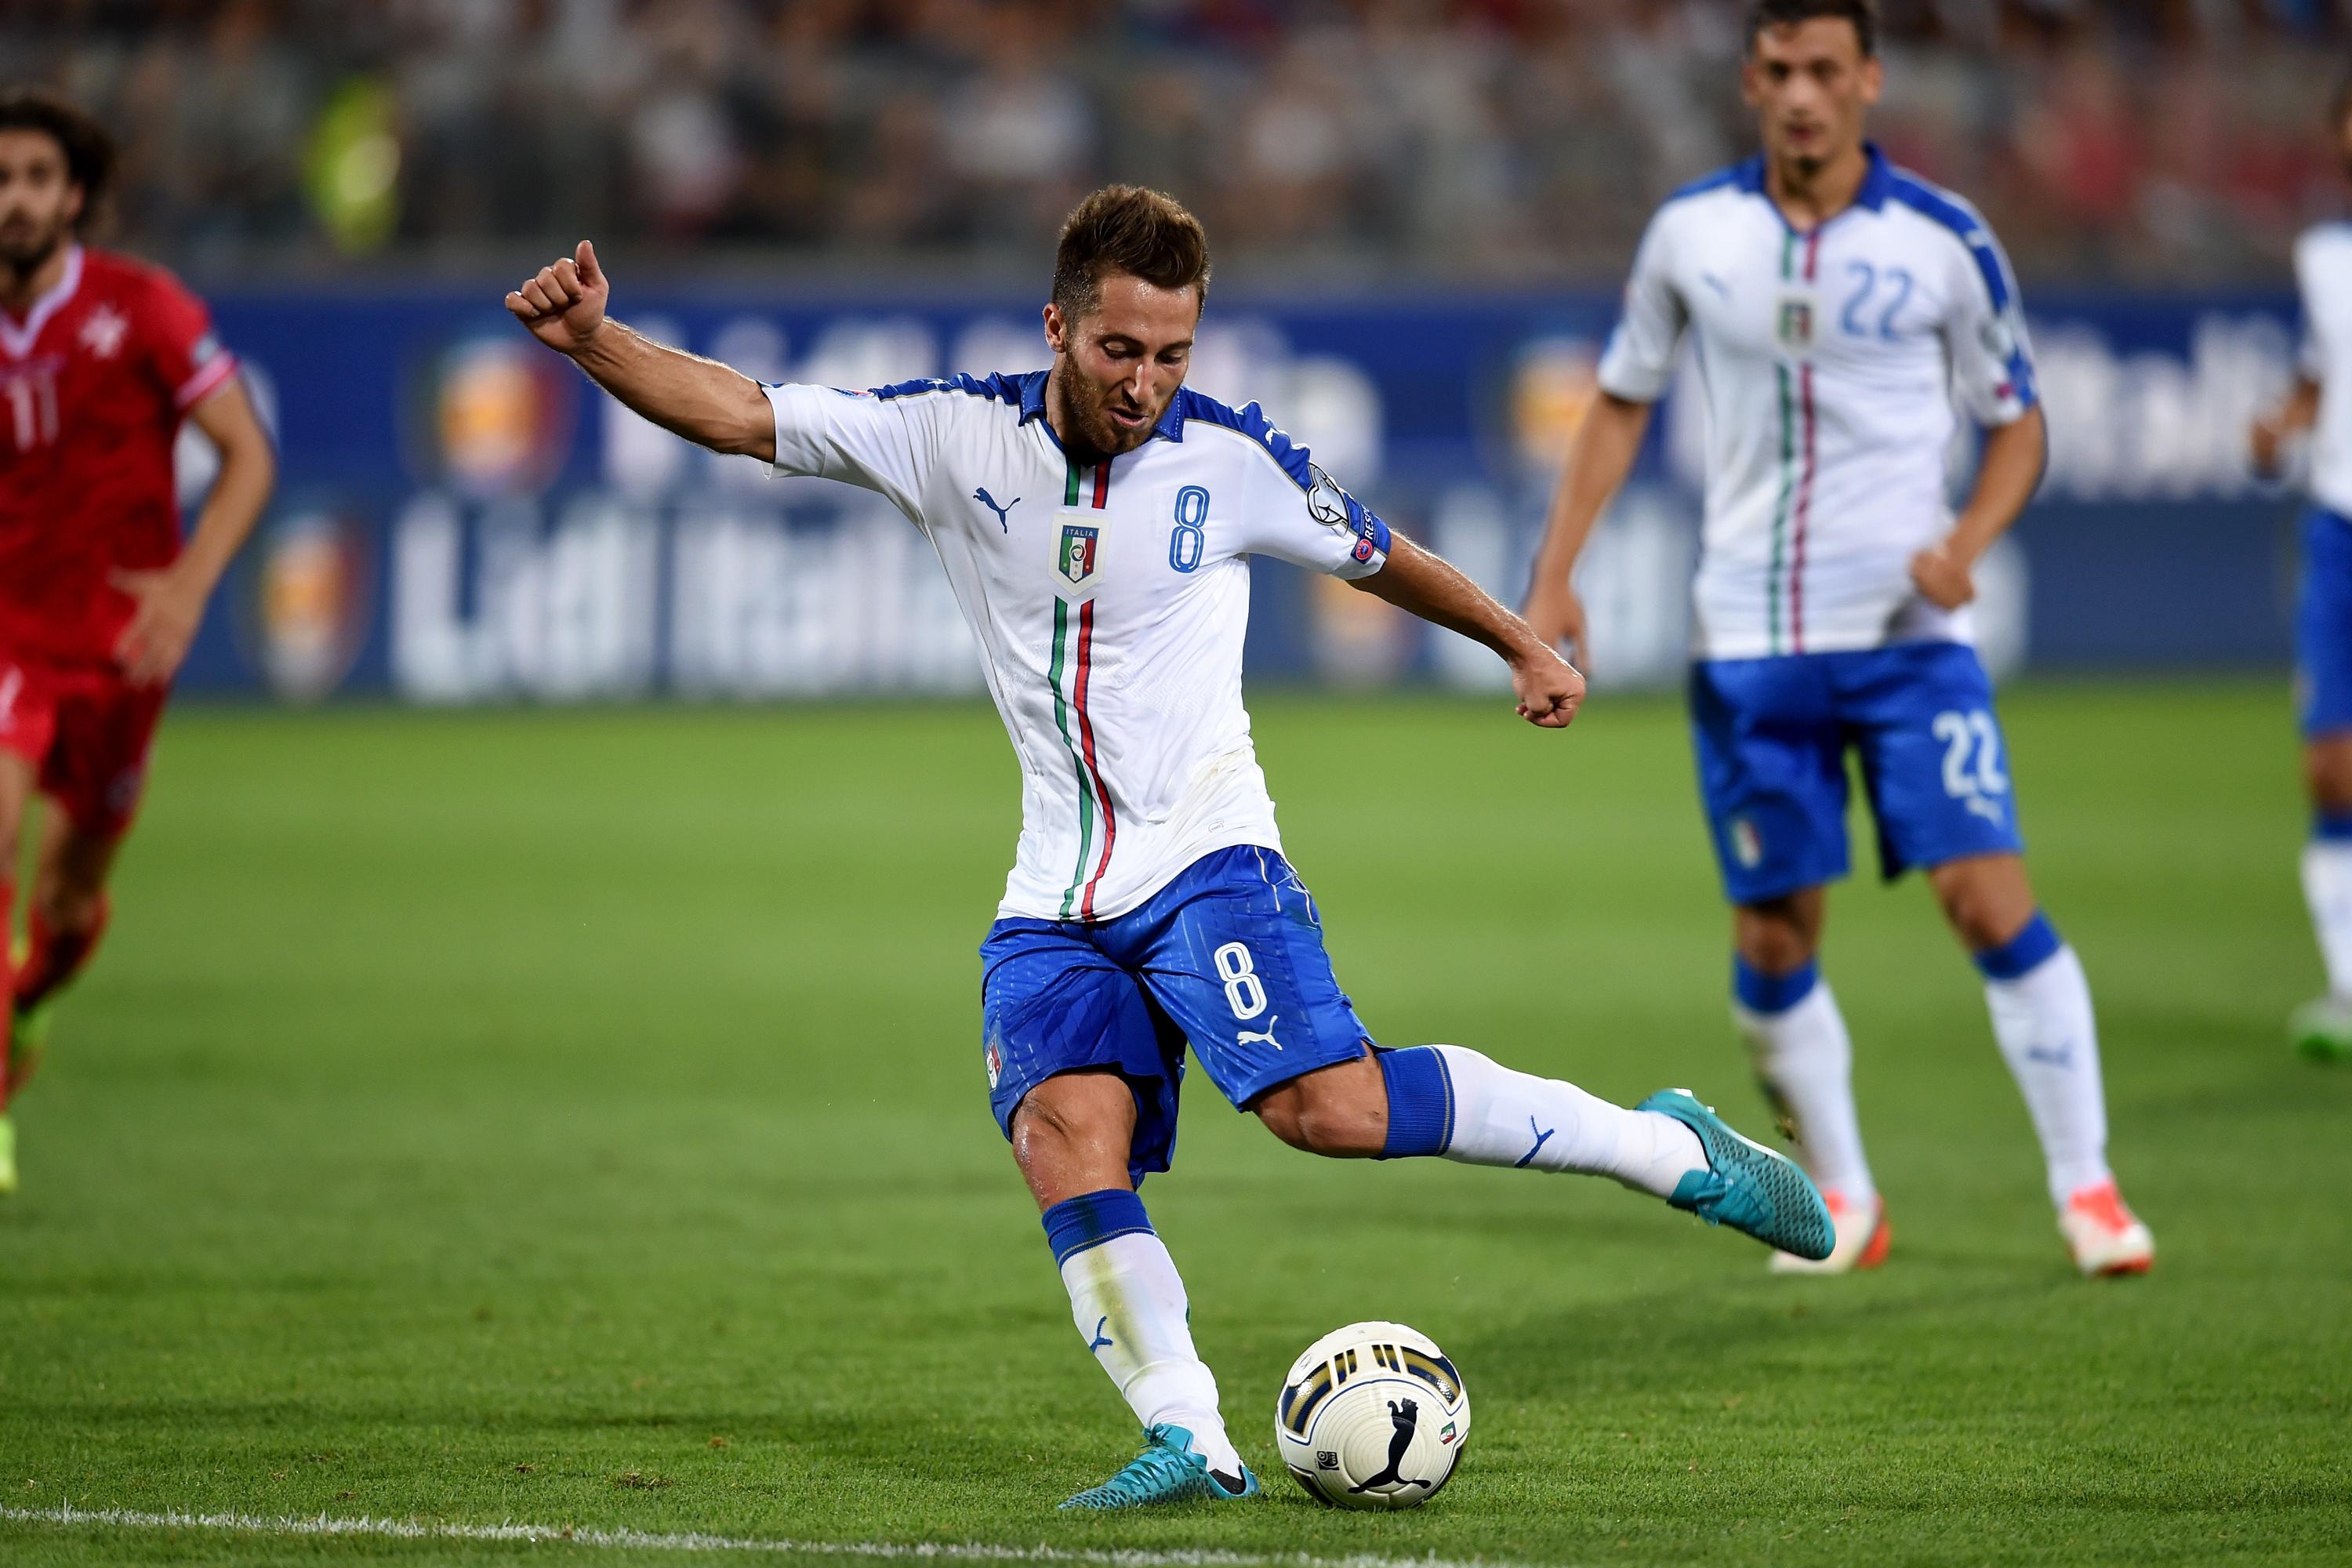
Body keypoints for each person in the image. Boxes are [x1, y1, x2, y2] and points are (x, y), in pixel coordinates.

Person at [506, 184, 1832, 1510]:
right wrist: (595, 344)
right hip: (1055, 889)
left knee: (1328, 1110)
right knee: (1060, 1134)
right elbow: (743, 415)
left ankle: (1660, 1145)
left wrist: (1522, 645)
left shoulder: (1229, 461)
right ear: (1059, 328)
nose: (1147, 383)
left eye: (1173, 354)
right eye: (1121, 350)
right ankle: (1190, 1433)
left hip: (1206, 857)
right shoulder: (951, 437)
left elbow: (1382, 555)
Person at [1521, 0, 2152, 1279]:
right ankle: (1846, 1202)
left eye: (1825, 70)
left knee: (1986, 897)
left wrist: (1965, 547)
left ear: (1869, 79)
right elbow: (1618, 407)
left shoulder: (1943, 241)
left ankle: (2088, 1189)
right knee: (1772, 938)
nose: (1802, 94)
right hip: (1749, 643)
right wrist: (1554, 575)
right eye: (1779, 71)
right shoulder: (1692, 233)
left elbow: (2018, 424)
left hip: (1908, 636)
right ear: (1751, 82)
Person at [0, 91, 275, 1195]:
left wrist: (191, 586)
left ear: (72, 197)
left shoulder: (141, 307)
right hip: (7, 634)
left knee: (67, 903)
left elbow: (244, 455)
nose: (10, 200)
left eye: (31, 179)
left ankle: (21, 1011)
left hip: (120, 650)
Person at [2250, 74, 2352, 1063]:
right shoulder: (2324, 258)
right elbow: (2326, 373)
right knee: (2329, 765)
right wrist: (2284, 421)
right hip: (2336, 528)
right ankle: (2347, 984)